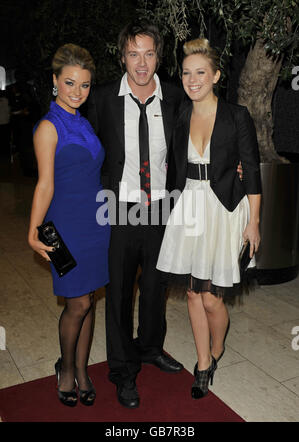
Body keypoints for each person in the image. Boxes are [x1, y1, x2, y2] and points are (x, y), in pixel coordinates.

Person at [156, 38, 262, 399]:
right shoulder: (181, 114)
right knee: (191, 292)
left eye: (201, 72)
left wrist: (254, 223)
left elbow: (251, 169)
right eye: (186, 73)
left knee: (212, 297)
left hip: (224, 208)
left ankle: (217, 347)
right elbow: (172, 163)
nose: (193, 79)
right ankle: (203, 363)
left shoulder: (237, 116)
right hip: (189, 204)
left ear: (216, 75)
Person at [88, 21, 185, 409]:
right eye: (133, 54)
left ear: (159, 56)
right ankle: (123, 371)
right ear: (122, 56)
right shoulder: (102, 99)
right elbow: (85, 149)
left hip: (161, 206)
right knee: (120, 292)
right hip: (119, 208)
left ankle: (149, 348)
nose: (141, 63)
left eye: (148, 53)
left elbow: (200, 137)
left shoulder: (176, 97)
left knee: (157, 287)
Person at [28, 44, 110, 407]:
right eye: (70, 83)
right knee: (76, 302)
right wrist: (33, 230)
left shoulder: (84, 122)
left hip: (95, 225)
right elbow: (45, 183)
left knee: (89, 298)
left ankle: (81, 369)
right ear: (55, 81)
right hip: (63, 227)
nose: (78, 92)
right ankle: (65, 370)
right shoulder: (48, 127)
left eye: (86, 85)